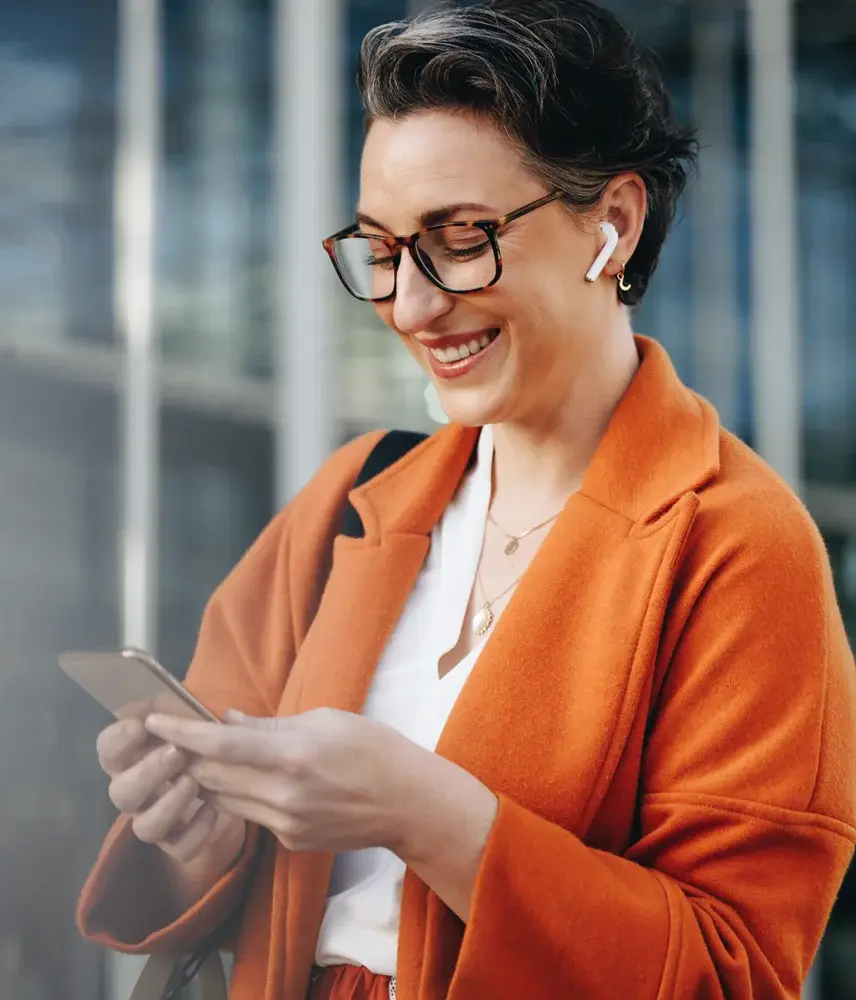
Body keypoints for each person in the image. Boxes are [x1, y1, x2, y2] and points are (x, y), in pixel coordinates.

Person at [77, 2, 856, 999]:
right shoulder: (351, 498)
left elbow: (730, 973)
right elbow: (239, 901)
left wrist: (426, 811)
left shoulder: (737, 545)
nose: (410, 303)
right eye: (383, 249)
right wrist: (202, 826)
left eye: (459, 238)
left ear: (611, 227)